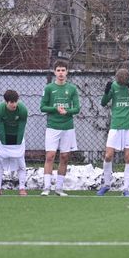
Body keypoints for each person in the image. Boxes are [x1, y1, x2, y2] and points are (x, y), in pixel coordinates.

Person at [97, 68, 129, 197]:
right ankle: (106, 185)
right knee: (108, 155)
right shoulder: (113, 86)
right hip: (116, 125)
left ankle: (126, 189)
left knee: (128, 156)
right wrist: (106, 92)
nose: (121, 85)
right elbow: (103, 103)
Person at [40, 60, 80, 197]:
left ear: (67, 72)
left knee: (64, 157)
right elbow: (42, 107)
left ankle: (59, 188)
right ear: (54, 72)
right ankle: (46, 187)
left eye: (63, 70)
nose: (61, 73)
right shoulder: (49, 88)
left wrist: (67, 111)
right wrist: (55, 109)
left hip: (67, 127)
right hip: (52, 127)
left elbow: (77, 108)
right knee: (50, 156)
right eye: (58, 70)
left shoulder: (72, 89)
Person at [0, 90, 29, 196]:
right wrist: (4, 142)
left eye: (15, 101)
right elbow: (0, 126)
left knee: (21, 164)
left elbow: (22, 126)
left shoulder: (23, 110)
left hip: (17, 138)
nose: (14, 104)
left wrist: (18, 143)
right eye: (11, 102)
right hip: (3, 139)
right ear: (6, 102)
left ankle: (22, 188)